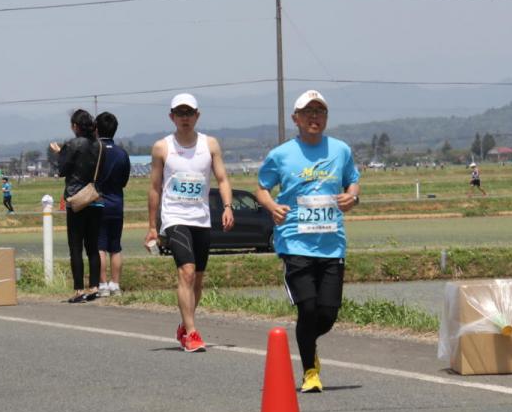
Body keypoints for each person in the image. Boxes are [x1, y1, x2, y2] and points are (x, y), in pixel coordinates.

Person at [256, 90, 360, 392]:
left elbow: (353, 181)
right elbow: (262, 188)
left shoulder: (340, 150)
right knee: (308, 309)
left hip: (332, 244)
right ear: (296, 118)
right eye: (308, 112)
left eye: (320, 112)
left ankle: (307, 342)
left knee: (327, 314)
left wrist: (352, 197)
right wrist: (272, 206)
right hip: (294, 243)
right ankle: (310, 372)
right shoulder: (281, 154)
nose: (314, 117)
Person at [146, 93, 234, 352]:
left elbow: (223, 179)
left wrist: (228, 207)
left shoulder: (210, 144)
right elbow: (154, 187)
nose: (184, 118)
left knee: (197, 278)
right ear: (171, 116)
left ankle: (185, 325)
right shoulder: (162, 147)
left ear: (197, 115)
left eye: (189, 113)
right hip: (175, 217)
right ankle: (192, 333)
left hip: (201, 218)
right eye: (180, 113)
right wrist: (152, 226)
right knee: (186, 271)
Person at [52, 109, 104, 302]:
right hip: (96, 198)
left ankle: (79, 290)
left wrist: (60, 153)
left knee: (75, 246)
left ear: (75, 126)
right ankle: (94, 287)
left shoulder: (72, 144)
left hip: (76, 200)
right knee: (93, 246)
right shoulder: (100, 145)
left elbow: (63, 170)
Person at [94, 112, 131, 296]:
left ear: (96, 128)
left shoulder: (94, 150)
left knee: (99, 246)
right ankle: (115, 284)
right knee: (115, 246)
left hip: (97, 203)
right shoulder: (122, 153)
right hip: (116, 203)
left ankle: (102, 285)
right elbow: (124, 181)